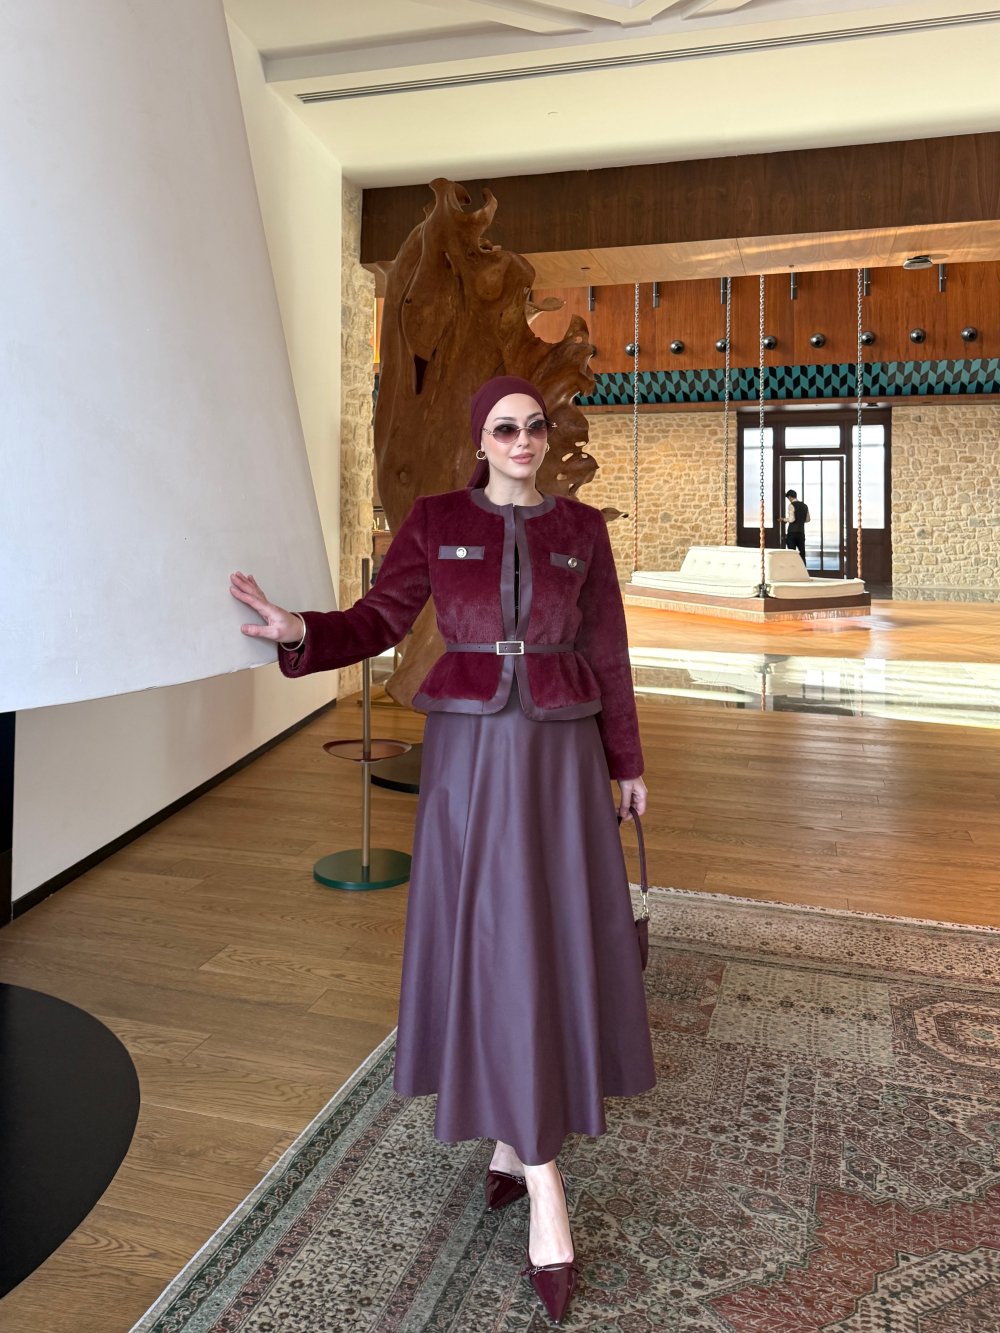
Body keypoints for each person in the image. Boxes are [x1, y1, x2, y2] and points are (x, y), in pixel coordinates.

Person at [229, 375, 655, 1326]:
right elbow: (379, 619)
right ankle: (542, 1174)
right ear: (480, 438)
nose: (523, 440)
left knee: (547, 936)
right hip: (468, 760)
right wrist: (300, 632)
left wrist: (627, 762)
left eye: (534, 426)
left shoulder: (582, 530)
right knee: (494, 940)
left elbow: (610, 650)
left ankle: (516, 1143)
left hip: (559, 757)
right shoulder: (434, 519)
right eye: (505, 427)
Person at [782, 488, 808, 561]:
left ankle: (793, 568)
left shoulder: (791, 505)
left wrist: (783, 519)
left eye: (788, 498)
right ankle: (803, 567)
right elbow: (807, 519)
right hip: (801, 532)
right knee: (802, 553)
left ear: (790, 497)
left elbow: (791, 519)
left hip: (792, 533)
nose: (788, 500)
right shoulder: (804, 505)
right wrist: (800, 520)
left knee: (792, 554)